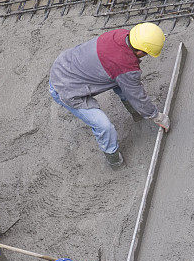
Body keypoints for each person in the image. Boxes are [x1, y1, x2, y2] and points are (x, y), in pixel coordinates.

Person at [49, 23, 170, 169]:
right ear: (140, 51)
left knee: (123, 84)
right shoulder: (126, 66)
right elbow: (137, 96)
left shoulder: (122, 35)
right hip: (65, 89)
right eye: (147, 53)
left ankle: (137, 116)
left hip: (66, 63)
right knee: (104, 127)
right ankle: (114, 160)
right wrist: (157, 116)